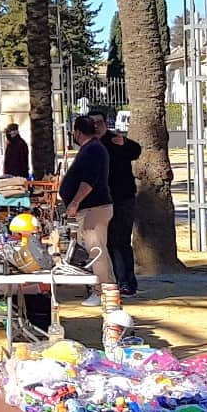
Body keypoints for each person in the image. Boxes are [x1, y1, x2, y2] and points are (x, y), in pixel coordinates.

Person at [59, 114, 114, 307]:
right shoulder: (91, 149)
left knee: (95, 251)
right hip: (92, 208)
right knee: (99, 250)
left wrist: (74, 202)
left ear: (78, 132)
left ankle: (100, 292)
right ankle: (109, 290)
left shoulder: (93, 150)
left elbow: (88, 182)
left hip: (94, 208)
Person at [90, 108, 142, 297]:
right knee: (105, 243)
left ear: (105, 123)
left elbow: (136, 151)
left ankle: (126, 282)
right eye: (92, 123)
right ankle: (112, 281)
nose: (96, 127)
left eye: (99, 123)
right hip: (100, 203)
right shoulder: (89, 145)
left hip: (122, 200)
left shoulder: (116, 140)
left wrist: (125, 142)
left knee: (120, 241)